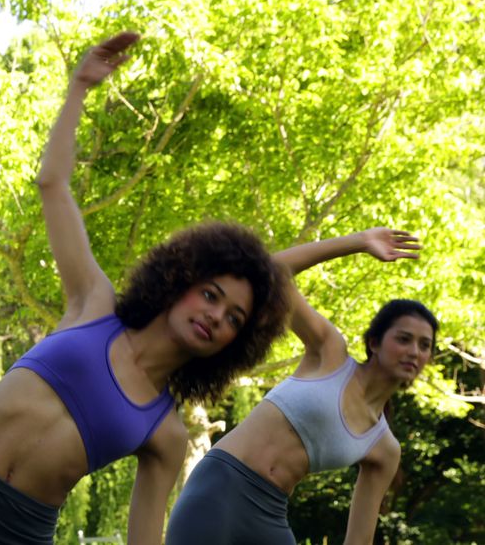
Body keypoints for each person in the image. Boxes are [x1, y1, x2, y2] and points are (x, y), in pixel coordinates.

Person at [0, 31, 289, 545]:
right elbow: (53, 183)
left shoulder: (167, 433)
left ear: (234, 345)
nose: (216, 316)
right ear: (181, 278)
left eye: (234, 319)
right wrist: (79, 90)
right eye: (211, 294)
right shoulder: (94, 304)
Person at [166, 227, 435, 545]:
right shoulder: (331, 353)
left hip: (270, 514)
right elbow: (273, 272)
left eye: (424, 345)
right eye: (404, 339)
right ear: (374, 342)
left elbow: (359, 540)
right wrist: (359, 242)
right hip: (220, 486)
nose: (414, 352)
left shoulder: (384, 449)